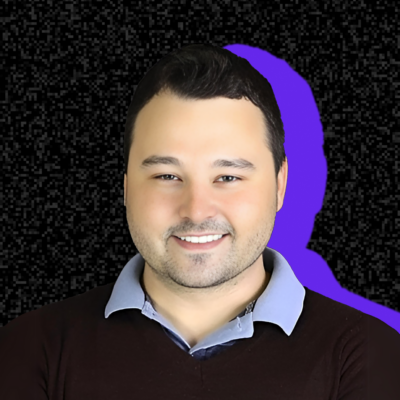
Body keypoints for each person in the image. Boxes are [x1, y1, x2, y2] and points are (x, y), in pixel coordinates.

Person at [1, 43, 399, 399]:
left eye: (228, 177)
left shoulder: (369, 355)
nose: (196, 210)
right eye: (166, 176)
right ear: (125, 187)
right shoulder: (30, 350)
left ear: (280, 186)